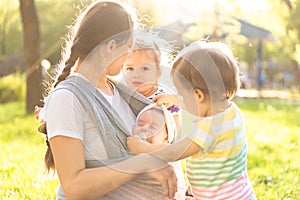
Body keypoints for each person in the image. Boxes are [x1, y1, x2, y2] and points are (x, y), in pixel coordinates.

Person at [37, 1, 178, 199]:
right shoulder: (68, 99)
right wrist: (142, 163)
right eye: (128, 47)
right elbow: (73, 186)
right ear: (111, 46)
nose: (129, 55)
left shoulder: (121, 90)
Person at [127, 41, 257, 199]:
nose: (183, 100)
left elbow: (174, 152)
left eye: (183, 94)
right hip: (240, 193)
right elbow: (199, 103)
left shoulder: (208, 128)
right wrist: (176, 99)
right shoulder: (231, 113)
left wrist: (141, 147)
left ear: (198, 95)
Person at [132, 103, 186, 200]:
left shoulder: (166, 158)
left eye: (153, 127)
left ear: (166, 139)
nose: (144, 128)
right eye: (140, 124)